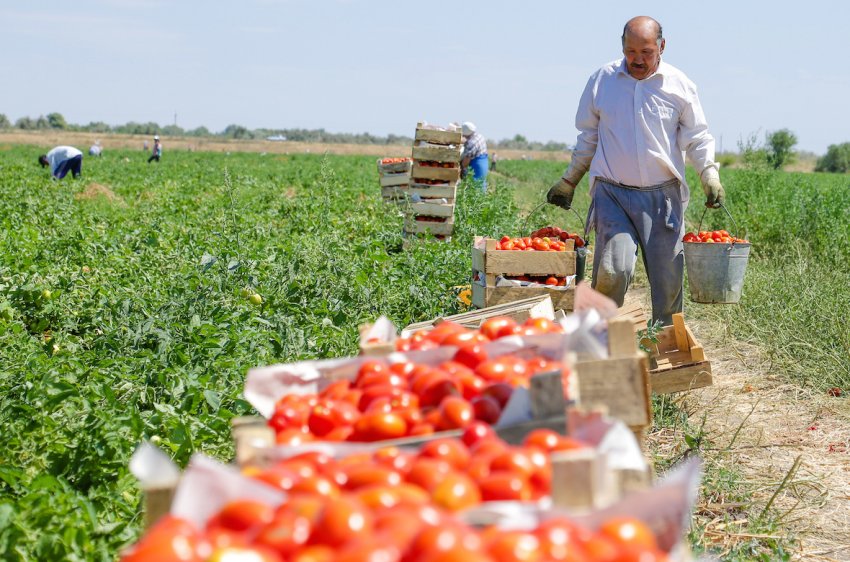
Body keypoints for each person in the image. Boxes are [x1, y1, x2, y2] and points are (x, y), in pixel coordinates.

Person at [546, 16, 724, 326]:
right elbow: (588, 136)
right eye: (630, 52)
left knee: (668, 281)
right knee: (613, 270)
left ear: (662, 47)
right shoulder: (602, 81)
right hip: (612, 193)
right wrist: (569, 180)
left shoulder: (679, 85)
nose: (637, 60)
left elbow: (697, 138)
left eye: (646, 52)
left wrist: (709, 174)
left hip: (663, 197)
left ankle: (665, 348)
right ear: (622, 47)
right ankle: (600, 340)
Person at [460, 122, 488, 192]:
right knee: (481, 183)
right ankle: (481, 199)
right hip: (484, 162)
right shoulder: (480, 136)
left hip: (477, 165)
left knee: (474, 186)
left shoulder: (471, 143)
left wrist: (462, 167)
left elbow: (466, 161)